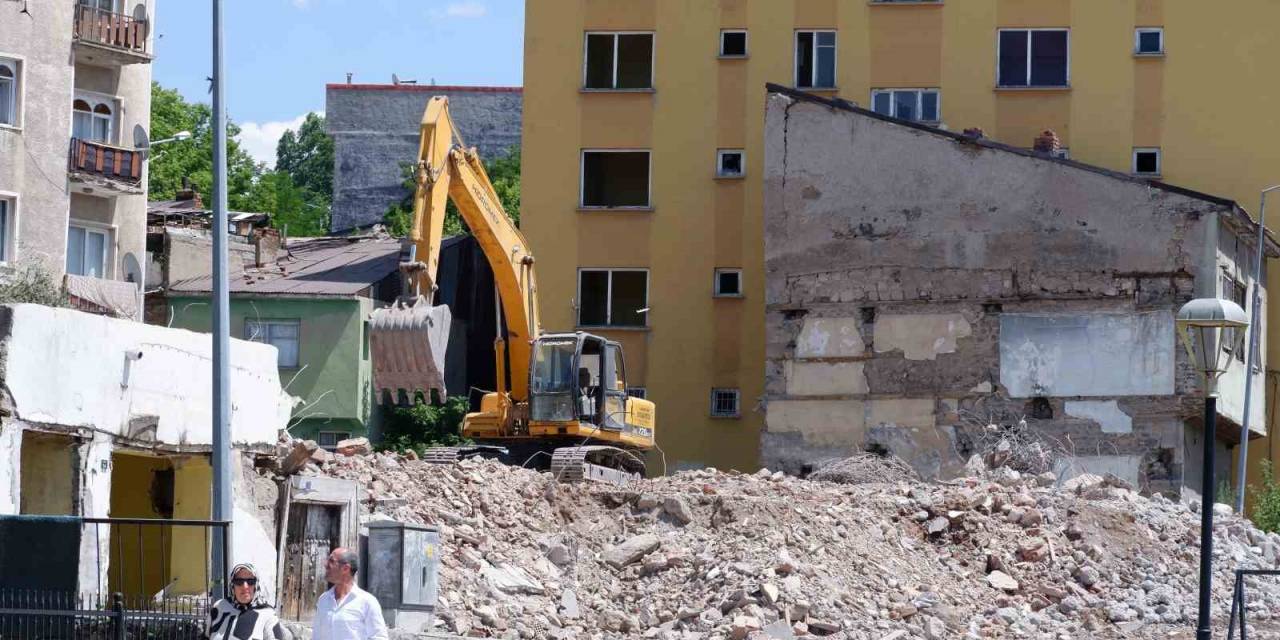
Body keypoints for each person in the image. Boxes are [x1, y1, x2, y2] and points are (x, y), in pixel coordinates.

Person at [312, 547, 389, 640]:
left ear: (345, 568)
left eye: (331, 561)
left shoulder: (367, 602)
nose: (325, 565)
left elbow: (379, 637)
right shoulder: (323, 600)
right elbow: (316, 636)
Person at [207, 563, 291, 640]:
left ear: (256, 585)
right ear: (232, 585)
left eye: (250, 581)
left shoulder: (267, 614)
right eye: (239, 581)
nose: (245, 586)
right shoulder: (219, 607)